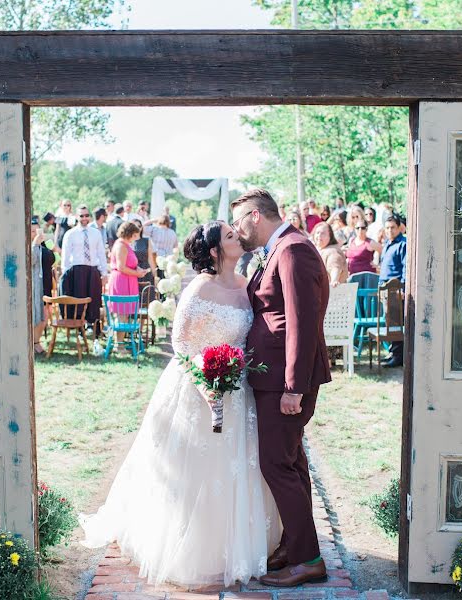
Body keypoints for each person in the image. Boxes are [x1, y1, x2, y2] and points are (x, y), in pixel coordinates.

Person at [80, 220, 280, 587]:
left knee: (239, 465)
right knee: (198, 467)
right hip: (199, 386)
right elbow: (181, 343)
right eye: (231, 235)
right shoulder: (200, 289)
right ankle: (194, 545)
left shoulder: (246, 283)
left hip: (238, 388)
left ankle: (240, 539)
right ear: (217, 251)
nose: (239, 236)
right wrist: (205, 382)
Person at [232, 188, 331, 587]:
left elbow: (301, 323)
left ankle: (307, 559)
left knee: (277, 464)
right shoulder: (280, 248)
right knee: (291, 463)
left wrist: (294, 386)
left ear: (255, 216)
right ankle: (296, 544)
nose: (237, 230)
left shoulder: (292, 250)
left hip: (283, 382)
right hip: (274, 378)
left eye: (239, 221)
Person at [59, 205, 108, 324]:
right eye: (81, 216)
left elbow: (101, 254)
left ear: (90, 217)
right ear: (77, 217)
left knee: (94, 301)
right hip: (76, 272)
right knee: (79, 302)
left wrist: (104, 273)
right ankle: (79, 326)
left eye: (87, 215)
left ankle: (93, 326)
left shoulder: (95, 233)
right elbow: (65, 257)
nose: (84, 218)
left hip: (92, 270)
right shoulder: (70, 234)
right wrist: (65, 274)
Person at [377, 214, 407, 368]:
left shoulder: (403, 244)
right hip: (385, 289)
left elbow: (405, 268)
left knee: (396, 323)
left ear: (399, 227)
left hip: (395, 289)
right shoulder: (388, 243)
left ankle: (398, 356)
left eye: (393, 227)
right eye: (387, 228)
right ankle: (392, 352)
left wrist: (402, 288)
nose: (390, 230)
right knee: (389, 320)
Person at [107, 221, 149, 315]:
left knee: (126, 314)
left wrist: (138, 268)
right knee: (122, 314)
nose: (135, 239)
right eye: (134, 236)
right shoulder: (121, 246)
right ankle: (121, 330)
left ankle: (125, 330)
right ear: (129, 234)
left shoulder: (126, 245)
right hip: (122, 281)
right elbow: (121, 267)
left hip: (128, 280)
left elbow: (130, 262)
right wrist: (137, 274)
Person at [30, 216, 56, 354]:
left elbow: (55, 256)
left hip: (46, 283)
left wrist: (48, 241)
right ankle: (33, 343)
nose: (36, 234)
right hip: (35, 284)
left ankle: (37, 340)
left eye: (37, 231)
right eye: (32, 232)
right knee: (36, 313)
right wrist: (34, 243)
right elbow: (32, 261)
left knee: (45, 314)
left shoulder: (44, 244)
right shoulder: (28, 247)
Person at [130, 218, 156, 294]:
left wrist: (155, 274)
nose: (137, 228)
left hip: (146, 271)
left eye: (139, 226)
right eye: (135, 226)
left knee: (148, 297)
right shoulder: (129, 242)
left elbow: (150, 259)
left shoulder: (146, 240)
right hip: (133, 272)